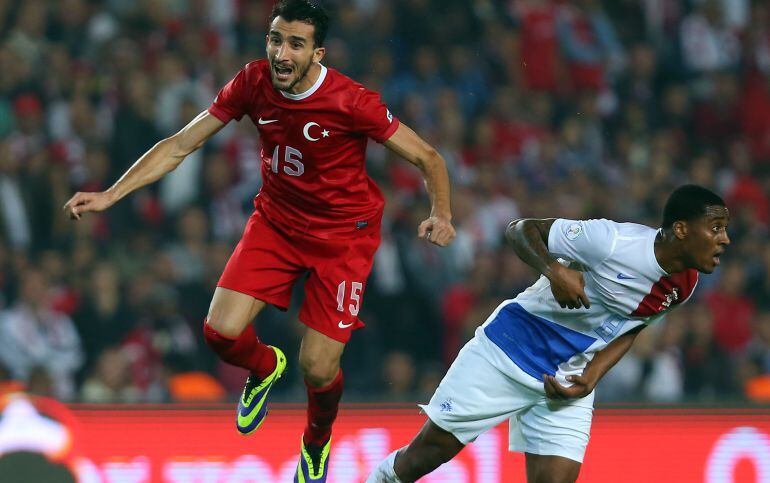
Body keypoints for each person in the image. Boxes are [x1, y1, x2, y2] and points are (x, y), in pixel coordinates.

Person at [63, 1, 455, 481]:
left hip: (341, 239)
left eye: (295, 43)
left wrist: (441, 213)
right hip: (277, 223)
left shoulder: (352, 101)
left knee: (317, 367)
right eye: (275, 39)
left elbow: (429, 158)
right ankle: (266, 365)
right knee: (219, 333)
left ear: (318, 53)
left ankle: (316, 439)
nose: (281, 52)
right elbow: (182, 143)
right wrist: (111, 194)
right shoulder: (252, 82)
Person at [368, 184, 729, 483]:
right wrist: (554, 270)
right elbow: (520, 229)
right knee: (422, 459)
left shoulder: (685, 283)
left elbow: (631, 328)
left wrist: (591, 377)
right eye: (715, 228)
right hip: (508, 352)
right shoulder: (612, 242)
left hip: (565, 381)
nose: (725, 239)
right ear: (681, 229)